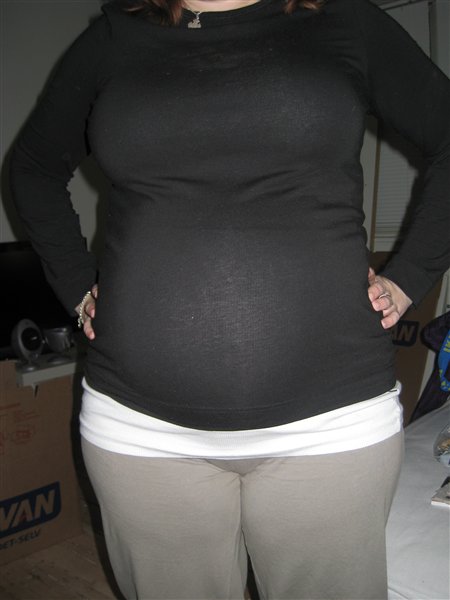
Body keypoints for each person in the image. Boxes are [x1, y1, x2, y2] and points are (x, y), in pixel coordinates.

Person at [10, 0, 450, 598]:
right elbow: (33, 168)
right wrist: (76, 284)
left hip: (331, 424)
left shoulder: (346, 23)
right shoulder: (112, 41)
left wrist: (409, 275)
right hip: (140, 429)